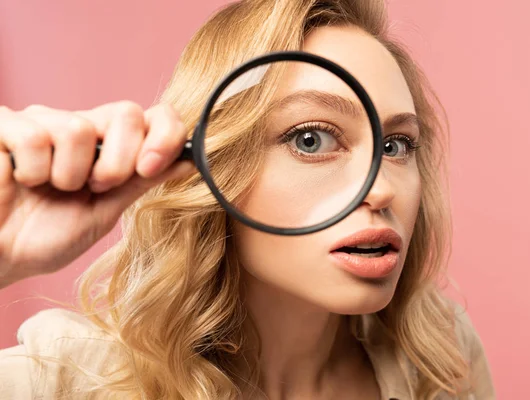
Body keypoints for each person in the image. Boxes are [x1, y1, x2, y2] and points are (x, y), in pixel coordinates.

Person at [0, 0, 495, 399]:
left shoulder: (439, 363)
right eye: (311, 139)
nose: (383, 187)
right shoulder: (62, 379)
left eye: (396, 145)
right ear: (216, 168)